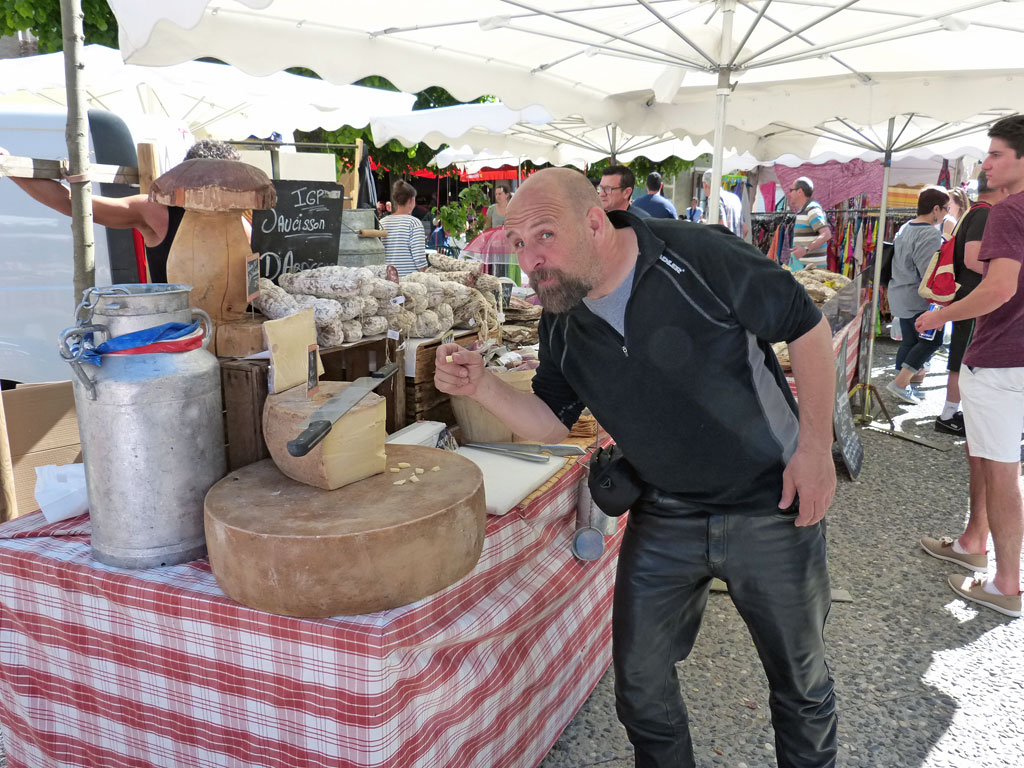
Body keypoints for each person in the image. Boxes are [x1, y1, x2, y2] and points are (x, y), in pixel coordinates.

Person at [435, 167, 838, 768]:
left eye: (544, 235)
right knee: (642, 688)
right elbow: (551, 422)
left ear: (595, 223)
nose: (530, 260)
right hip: (665, 508)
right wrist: (482, 386)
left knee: (800, 686)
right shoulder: (561, 315)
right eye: (518, 243)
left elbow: (806, 327)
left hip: (770, 501)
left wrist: (815, 451)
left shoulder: (696, 254)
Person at [917, 115, 1024, 618]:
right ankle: (972, 542)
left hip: (1002, 357)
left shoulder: (1009, 211)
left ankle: (1006, 584)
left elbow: (999, 289)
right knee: (988, 457)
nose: (986, 165)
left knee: (999, 468)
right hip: (1010, 360)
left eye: (997, 154)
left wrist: (940, 315)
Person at [0, 139, 241, 282]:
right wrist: (9, 167)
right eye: (226, 181)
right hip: (180, 334)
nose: (234, 188)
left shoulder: (242, 218)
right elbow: (71, 203)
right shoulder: (157, 211)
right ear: (197, 177)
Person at [934, 172, 1008, 435]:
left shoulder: (977, 211)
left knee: (964, 354)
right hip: (971, 295)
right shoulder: (984, 213)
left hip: (969, 294)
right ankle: (948, 414)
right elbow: (972, 259)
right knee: (964, 355)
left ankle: (953, 412)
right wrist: (1006, 272)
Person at [885, 186, 949, 405]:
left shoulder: (906, 227)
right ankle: (900, 384)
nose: (946, 214)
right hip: (917, 298)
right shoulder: (929, 233)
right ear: (935, 209)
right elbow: (927, 273)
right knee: (931, 341)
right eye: (945, 209)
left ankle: (902, 385)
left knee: (910, 341)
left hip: (899, 293)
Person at [380, 179, 428, 276]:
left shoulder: (382, 223)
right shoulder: (414, 223)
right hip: (409, 279)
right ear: (412, 200)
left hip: (387, 278)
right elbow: (419, 259)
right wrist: (428, 274)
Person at [787, 177, 832, 269]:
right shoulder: (804, 210)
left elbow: (826, 234)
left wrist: (805, 249)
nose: (790, 193)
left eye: (791, 190)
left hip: (813, 270)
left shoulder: (812, 209)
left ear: (800, 192)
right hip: (804, 268)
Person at [701, 169, 744, 236]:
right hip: (737, 241)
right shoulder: (735, 198)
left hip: (722, 242)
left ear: (705, 185)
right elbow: (745, 229)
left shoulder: (714, 198)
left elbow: (721, 225)